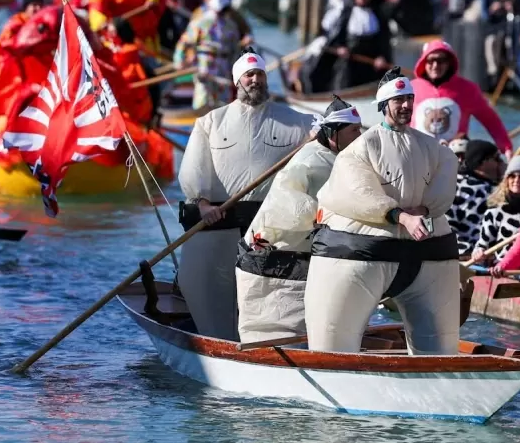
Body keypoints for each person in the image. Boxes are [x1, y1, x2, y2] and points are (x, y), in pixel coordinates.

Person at [304, 68, 462, 354]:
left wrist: (425, 208)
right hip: (363, 252)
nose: (405, 106)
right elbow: (357, 192)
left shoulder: (432, 148)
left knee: (440, 346)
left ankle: (440, 368)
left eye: (409, 99)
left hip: (427, 253)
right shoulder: (361, 147)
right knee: (332, 343)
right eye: (398, 100)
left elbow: (447, 174)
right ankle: (332, 364)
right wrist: (400, 216)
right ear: (383, 105)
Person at [177, 49, 313, 340]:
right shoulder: (210, 122)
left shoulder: (298, 123)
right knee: (206, 283)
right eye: (249, 75)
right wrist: (201, 204)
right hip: (220, 221)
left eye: (260, 74)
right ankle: (217, 339)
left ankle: (269, 340)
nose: (255, 80)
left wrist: (320, 135)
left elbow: (321, 146)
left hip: (271, 226)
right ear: (237, 81)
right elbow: (193, 171)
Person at [234, 97, 362, 345]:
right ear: (333, 134)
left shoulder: (345, 159)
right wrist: (329, 215)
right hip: (274, 259)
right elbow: (287, 207)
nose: (359, 136)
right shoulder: (308, 161)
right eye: (354, 130)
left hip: (309, 255)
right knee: (275, 331)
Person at [409, 40, 512, 151]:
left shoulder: (467, 89)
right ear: (424, 62)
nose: (435, 65)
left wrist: (506, 146)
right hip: (418, 156)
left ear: (449, 62)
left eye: (441, 60)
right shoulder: (410, 88)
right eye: (430, 60)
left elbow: (490, 120)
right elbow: (397, 123)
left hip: (454, 157)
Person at [318, 0, 393, 91]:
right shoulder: (347, 13)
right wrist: (340, 48)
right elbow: (336, 37)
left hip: (371, 66)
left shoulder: (379, 14)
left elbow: (384, 40)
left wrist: (382, 57)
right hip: (349, 63)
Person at [469, 152, 520, 265]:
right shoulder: (494, 212)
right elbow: (482, 245)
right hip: (503, 270)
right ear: (507, 180)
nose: (516, 180)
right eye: (512, 176)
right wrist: (478, 253)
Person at [174, 0, 240, 111]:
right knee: (202, 98)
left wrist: (235, 71)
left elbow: (235, 50)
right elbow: (184, 42)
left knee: (223, 103)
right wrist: (179, 61)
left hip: (223, 66)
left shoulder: (231, 25)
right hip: (204, 65)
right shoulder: (200, 23)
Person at [445, 138, 506, 255]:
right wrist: (470, 252)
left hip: (492, 255)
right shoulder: (454, 187)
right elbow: (444, 229)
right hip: (466, 256)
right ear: (483, 162)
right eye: (497, 159)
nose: (501, 163)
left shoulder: (499, 188)